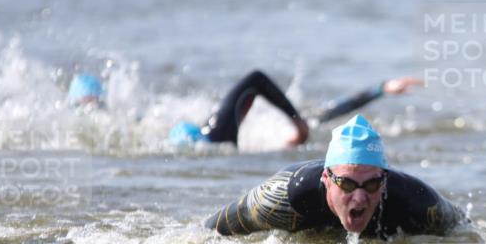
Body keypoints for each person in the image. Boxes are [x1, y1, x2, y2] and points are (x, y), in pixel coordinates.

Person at [205, 114, 464, 239]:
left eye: (372, 184)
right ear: (326, 179)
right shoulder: (282, 196)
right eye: (348, 183)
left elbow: (467, 233)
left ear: (384, 182)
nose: (360, 196)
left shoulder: (417, 202)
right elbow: (208, 234)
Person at [167, 70, 421, 148]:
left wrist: (381, 88)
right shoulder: (217, 138)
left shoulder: (270, 128)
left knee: (315, 119)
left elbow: (256, 79)